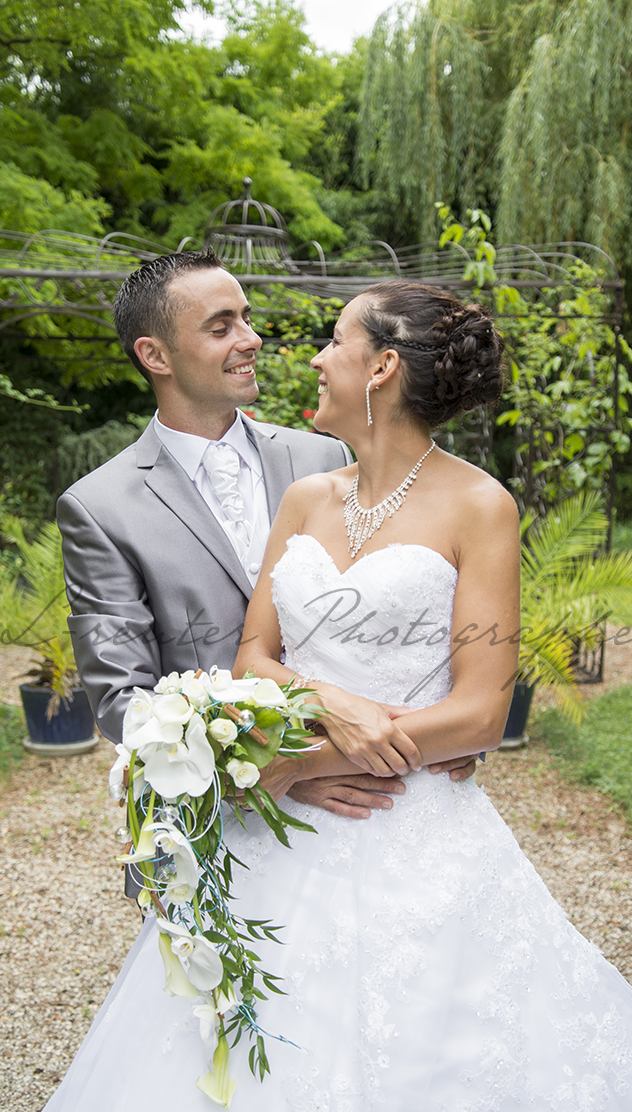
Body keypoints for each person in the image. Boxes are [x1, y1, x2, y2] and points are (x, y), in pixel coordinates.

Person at [0, 281, 632, 1112]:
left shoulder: (475, 503)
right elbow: (247, 656)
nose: (299, 352)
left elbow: (480, 711)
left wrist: (308, 760)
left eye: (332, 340)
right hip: (264, 835)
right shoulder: (305, 496)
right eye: (224, 325)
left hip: (414, 822)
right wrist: (319, 713)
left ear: (383, 367)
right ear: (155, 354)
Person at [56, 250, 476, 830]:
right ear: (155, 356)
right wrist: (279, 770)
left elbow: (411, 608)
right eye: (221, 327)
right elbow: (121, 702)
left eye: (247, 318)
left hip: (378, 797)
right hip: (215, 823)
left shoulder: (326, 456)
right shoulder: (99, 507)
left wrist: (439, 732)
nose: (251, 339)